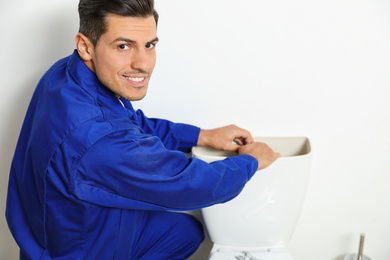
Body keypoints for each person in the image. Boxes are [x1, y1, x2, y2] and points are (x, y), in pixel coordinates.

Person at [6, 0, 280, 259]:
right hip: (81, 248)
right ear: (85, 46)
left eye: (149, 45)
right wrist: (252, 161)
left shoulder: (66, 75)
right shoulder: (100, 142)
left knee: (185, 232)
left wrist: (202, 135)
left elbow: (126, 123)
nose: (143, 64)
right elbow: (190, 184)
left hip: (53, 229)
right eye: (124, 46)